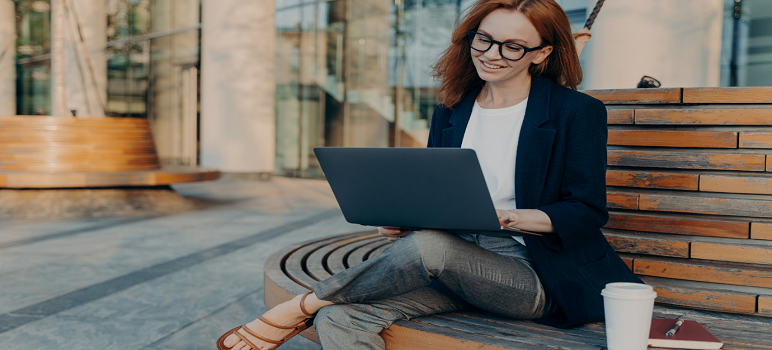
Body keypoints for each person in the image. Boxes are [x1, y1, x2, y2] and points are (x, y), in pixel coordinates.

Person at [217, 0, 642, 349]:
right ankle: (320, 306)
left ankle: (300, 306)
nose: (492, 54)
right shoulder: (453, 108)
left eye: (513, 46)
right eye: (485, 39)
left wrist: (505, 218)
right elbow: (437, 187)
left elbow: (586, 211)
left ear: (542, 53)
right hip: (450, 259)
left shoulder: (576, 111)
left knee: (428, 249)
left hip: (532, 272)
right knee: (343, 318)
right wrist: (409, 217)